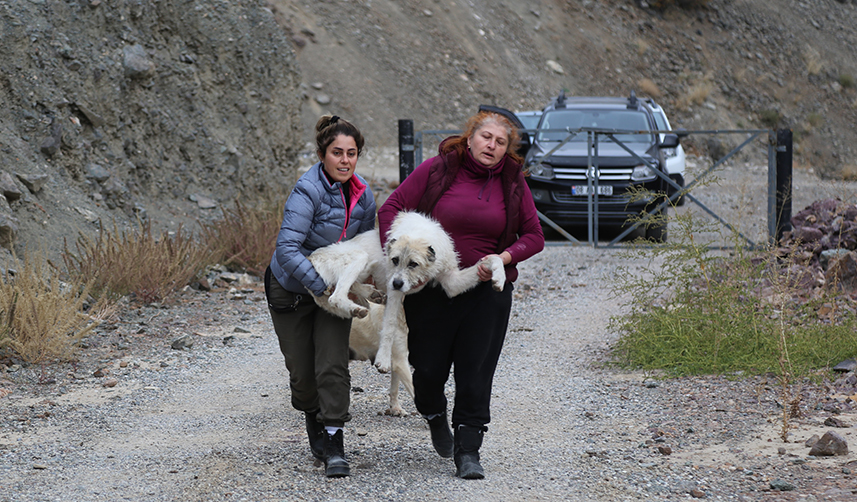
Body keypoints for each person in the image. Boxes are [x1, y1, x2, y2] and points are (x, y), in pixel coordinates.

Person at [377, 110, 544, 479]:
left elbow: (535, 235)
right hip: (432, 290)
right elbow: (390, 209)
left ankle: (469, 450)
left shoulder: (513, 183)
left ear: (506, 151)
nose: (492, 145)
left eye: (500, 142)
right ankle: (435, 415)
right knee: (429, 370)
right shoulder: (438, 170)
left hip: (485, 292)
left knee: (476, 372)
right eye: (486, 137)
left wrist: (503, 257)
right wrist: (400, 264)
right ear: (469, 139)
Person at [265, 115, 375, 478]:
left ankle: (334, 439)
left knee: (332, 364)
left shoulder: (364, 197)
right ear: (322, 155)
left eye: (352, 153)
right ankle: (312, 413)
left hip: (333, 295)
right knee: (302, 375)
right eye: (337, 153)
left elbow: (361, 247)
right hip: (294, 290)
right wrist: (319, 286)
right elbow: (287, 249)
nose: (345, 161)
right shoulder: (307, 190)